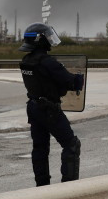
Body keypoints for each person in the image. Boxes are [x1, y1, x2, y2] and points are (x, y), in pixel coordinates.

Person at [18, 22, 84, 186]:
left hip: (33, 108)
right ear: (41, 40)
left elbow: (44, 81)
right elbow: (71, 82)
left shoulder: (26, 61)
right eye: (47, 36)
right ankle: (68, 188)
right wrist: (79, 78)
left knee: (40, 148)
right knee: (72, 145)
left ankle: (42, 188)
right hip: (49, 110)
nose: (50, 39)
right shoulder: (48, 62)